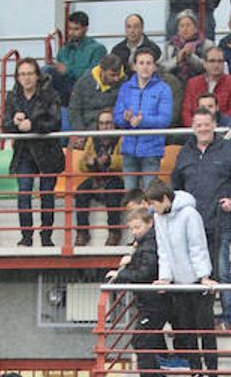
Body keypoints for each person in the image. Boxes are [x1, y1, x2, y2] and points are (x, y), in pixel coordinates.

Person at [172, 107, 231, 331]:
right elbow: (176, 185)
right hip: (192, 224)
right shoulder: (184, 153)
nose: (203, 129)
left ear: (214, 125)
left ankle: (227, 319)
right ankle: (201, 319)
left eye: (207, 124)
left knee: (222, 270)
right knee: (195, 273)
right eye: (198, 125)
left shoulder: (229, 151)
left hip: (220, 221)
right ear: (192, 127)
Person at [147, 179, 219, 377]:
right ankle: (196, 373)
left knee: (205, 329)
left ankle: (212, 374)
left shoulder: (189, 215)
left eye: (155, 203)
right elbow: (163, 250)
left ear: (165, 199)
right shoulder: (159, 218)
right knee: (187, 329)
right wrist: (165, 277)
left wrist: (203, 275)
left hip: (196, 281)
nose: (153, 208)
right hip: (179, 283)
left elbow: (197, 246)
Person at [2, 57, 63, 248]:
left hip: (47, 151)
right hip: (24, 152)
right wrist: (15, 122)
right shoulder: (12, 97)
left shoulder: (50, 94)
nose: (26, 78)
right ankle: (26, 237)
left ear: (37, 76)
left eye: (30, 73)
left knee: (46, 194)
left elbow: (55, 122)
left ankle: (46, 236)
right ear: (17, 77)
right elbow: (5, 125)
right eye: (22, 74)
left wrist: (33, 125)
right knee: (24, 192)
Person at [106, 207, 170, 377]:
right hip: (150, 301)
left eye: (138, 227)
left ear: (149, 224)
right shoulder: (146, 243)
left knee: (141, 340)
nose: (134, 232)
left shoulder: (149, 246)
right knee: (145, 340)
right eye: (132, 228)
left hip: (153, 302)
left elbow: (145, 274)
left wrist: (121, 274)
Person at [114, 45, 171, 193]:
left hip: (152, 150)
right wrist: (125, 119)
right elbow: (117, 117)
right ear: (134, 66)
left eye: (149, 63)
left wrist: (142, 121)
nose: (145, 67)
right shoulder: (125, 88)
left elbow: (165, 119)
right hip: (129, 149)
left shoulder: (164, 89)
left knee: (150, 194)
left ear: (154, 66)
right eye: (141, 63)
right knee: (130, 195)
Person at [76, 108, 124, 247]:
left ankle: (114, 232)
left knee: (112, 192)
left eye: (108, 123)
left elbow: (125, 161)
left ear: (114, 124)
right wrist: (89, 163)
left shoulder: (122, 137)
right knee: (80, 192)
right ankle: (82, 232)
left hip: (115, 177)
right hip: (97, 176)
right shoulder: (93, 139)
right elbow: (82, 164)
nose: (105, 126)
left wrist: (109, 160)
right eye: (102, 123)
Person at [48, 10, 106, 103]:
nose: (72, 32)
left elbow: (92, 76)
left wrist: (68, 71)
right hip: (63, 90)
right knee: (47, 70)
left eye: (76, 29)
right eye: (70, 29)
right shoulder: (64, 49)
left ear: (86, 29)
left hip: (85, 90)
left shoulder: (97, 49)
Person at [181, 46, 231, 125]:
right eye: (212, 61)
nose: (216, 65)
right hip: (196, 128)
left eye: (220, 61)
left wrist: (213, 126)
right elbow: (186, 111)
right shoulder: (193, 83)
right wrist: (198, 126)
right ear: (204, 63)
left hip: (223, 128)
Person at [67, 52, 123, 133]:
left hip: (114, 130)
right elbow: (74, 110)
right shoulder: (83, 83)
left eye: (118, 74)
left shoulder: (124, 83)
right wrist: (80, 133)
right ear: (102, 71)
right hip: (87, 130)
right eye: (112, 75)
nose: (116, 79)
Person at [161, 10, 213, 86]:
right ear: (178, 30)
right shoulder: (169, 45)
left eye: (188, 25)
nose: (185, 29)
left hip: (200, 83)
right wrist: (177, 59)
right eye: (182, 26)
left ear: (195, 28)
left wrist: (190, 56)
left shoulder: (207, 44)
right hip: (175, 84)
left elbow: (209, 67)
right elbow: (162, 68)